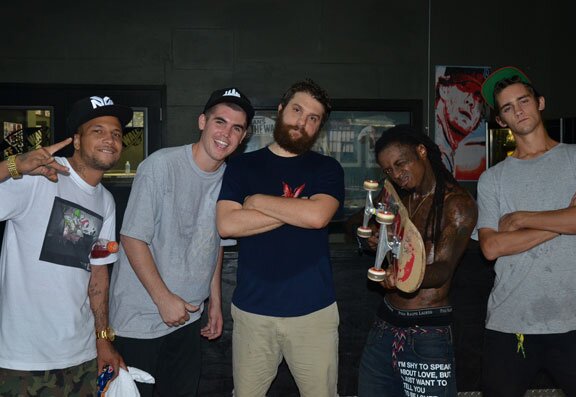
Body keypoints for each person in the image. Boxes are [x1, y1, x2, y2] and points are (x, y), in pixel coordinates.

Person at [108, 87, 254, 397]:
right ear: (202, 121)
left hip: (188, 319)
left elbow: (213, 243)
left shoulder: (230, 179)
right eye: (220, 121)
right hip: (140, 319)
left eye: (236, 128)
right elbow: (132, 237)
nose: (226, 133)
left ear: (243, 137)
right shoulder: (160, 166)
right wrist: (163, 298)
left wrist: (214, 302)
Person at [474, 66, 576, 396]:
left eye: (524, 100)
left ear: (540, 102)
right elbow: (490, 247)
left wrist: (521, 219)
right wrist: (568, 216)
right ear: (501, 121)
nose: (518, 110)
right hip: (510, 320)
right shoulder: (493, 178)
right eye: (507, 107)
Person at [216, 79, 344, 397]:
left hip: (314, 313)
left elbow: (317, 217)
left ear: (319, 128)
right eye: (297, 110)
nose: (302, 122)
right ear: (280, 110)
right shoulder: (242, 165)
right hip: (253, 313)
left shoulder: (327, 168)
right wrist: (298, 208)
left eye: (313, 118)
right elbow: (227, 225)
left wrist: (257, 201)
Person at [0, 95, 131, 395]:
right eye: (97, 130)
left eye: (116, 133)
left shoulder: (106, 201)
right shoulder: (39, 175)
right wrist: (13, 165)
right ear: (76, 139)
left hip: (81, 356)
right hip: (23, 359)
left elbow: (98, 273)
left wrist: (102, 339)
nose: (109, 139)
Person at [357, 126, 477, 397]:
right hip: (384, 326)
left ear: (421, 151)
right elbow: (359, 222)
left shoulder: (456, 204)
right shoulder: (397, 197)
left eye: (400, 164)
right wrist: (372, 239)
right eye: (388, 170)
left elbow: (444, 269)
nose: (396, 175)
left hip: (427, 332)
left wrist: (401, 276)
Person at [434, 67, 486, 179]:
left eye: (478, 96)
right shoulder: (434, 152)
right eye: (464, 87)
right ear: (444, 89)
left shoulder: (451, 152)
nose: (471, 101)